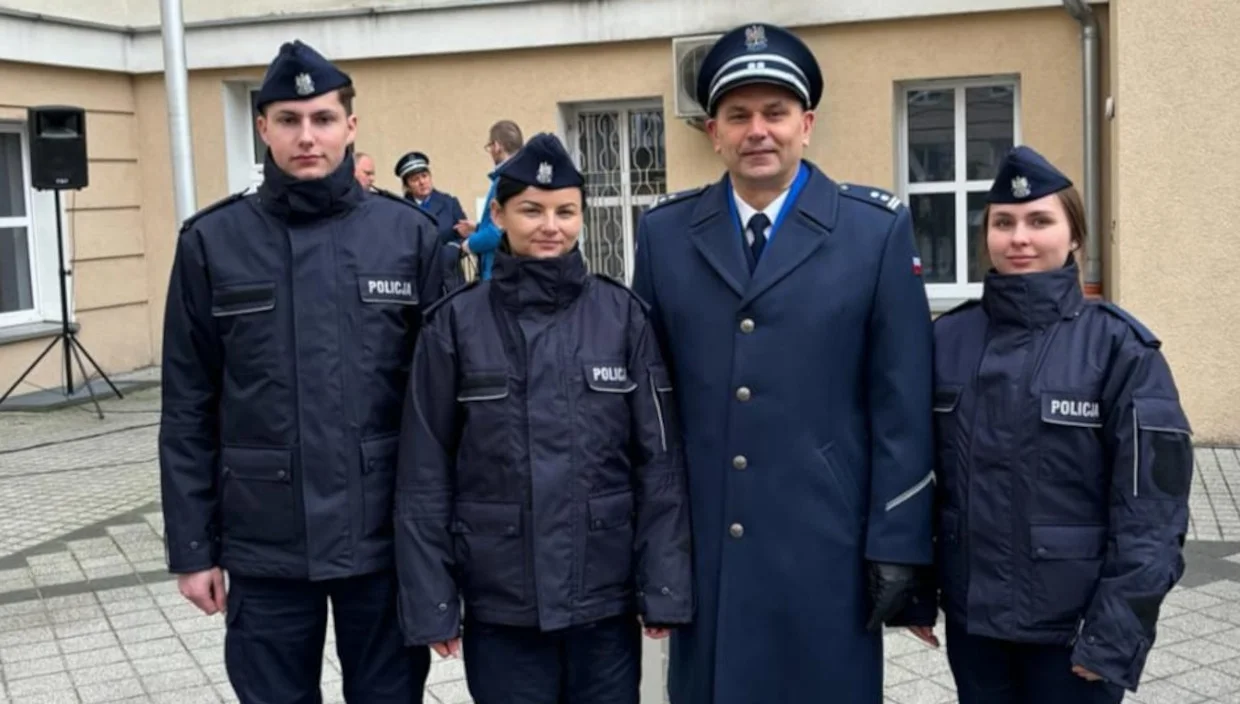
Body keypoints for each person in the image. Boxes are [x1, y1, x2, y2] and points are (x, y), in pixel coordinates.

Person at [630, 22, 936, 704]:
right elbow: (651, 406)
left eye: (775, 112)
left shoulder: (873, 230)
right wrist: (652, 547)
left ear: (807, 124)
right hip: (710, 548)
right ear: (713, 131)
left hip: (826, 545)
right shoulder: (665, 235)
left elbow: (902, 403)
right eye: (738, 116)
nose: (758, 130)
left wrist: (900, 544)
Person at [159, 39, 442, 703]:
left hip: (383, 543)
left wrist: (442, 544)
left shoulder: (410, 240)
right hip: (265, 544)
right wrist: (193, 548)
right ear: (263, 128)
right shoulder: (211, 243)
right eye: (288, 120)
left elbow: (441, 407)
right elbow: (188, 404)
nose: (306, 136)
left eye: (321, 118)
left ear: (351, 125)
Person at [393, 133, 692, 704]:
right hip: (501, 601)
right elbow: (423, 469)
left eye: (565, 211)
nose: (549, 225)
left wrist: (665, 585)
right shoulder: (455, 325)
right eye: (531, 209)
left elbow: (659, 462)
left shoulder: (622, 317)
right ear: (499, 214)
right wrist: (433, 599)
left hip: (603, 600)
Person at [930, 145, 1193, 703]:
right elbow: (913, 475)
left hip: (1074, 639)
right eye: (1004, 223)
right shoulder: (945, 342)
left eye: (1040, 221)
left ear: (1074, 236)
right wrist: (910, 591)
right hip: (975, 630)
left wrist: (1116, 633)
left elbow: (1154, 509)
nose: (1019, 237)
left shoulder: (1122, 350)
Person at [458, 119, 524, 280]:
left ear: (497, 146)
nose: (491, 152)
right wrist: (479, 227)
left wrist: (470, 244)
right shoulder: (521, 174)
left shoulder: (504, 179)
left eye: (490, 147)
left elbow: (497, 232)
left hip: (498, 271)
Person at [394, 151, 469, 245]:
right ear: (407, 186)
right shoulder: (401, 208)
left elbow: (465, 235)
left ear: (430, 177)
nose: (421, 182)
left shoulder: (449, 203)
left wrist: (453, 249)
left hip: (446, 258)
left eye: (424, 176)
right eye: (415, 179)